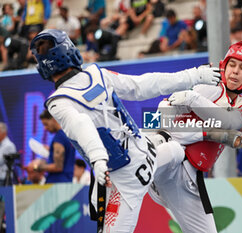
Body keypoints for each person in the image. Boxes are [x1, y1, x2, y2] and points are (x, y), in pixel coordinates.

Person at [29, 29, 220, 232]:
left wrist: (97, 158)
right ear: (69, 49)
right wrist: (194, 75)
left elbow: (80, 124)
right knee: (175, 151)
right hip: (149, 153)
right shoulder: (97, 75)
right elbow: (145, 84)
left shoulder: (58, 101)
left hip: (125, 179)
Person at [148, 41, 242, 233]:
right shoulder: (209, 87)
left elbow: (227, 122)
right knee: (168, 147)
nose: (235, 72)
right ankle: (130, 168)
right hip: (170, 159)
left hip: (190, 180)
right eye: (232, 65)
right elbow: (160, 113)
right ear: (224, 66)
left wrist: (193, 99)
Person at [34, 109, 76, 183]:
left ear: (53, 119)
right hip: (67, 182)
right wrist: (51, 150)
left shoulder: (59, 138)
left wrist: (37, 167)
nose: (45, 128)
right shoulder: (68, 135)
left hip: (56, 184)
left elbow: (58, 167)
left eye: (46, 124)